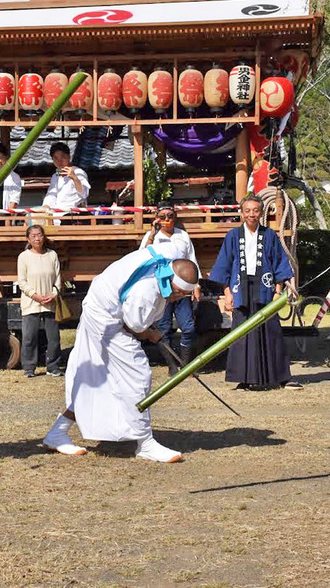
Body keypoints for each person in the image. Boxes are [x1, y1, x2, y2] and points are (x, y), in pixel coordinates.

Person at [42, 245, 199, 463]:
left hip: (105, 311)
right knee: (138, 374)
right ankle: (145, 443)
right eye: (179, 293)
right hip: (105, 320)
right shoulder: (145, 291)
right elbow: (134, 325)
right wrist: (151, 333)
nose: (179, 298)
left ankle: (57, 433)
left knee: (93, 380)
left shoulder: (167, 257)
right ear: (172, 284)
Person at [208, 195, 297, 390]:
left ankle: (282, 377)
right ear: (242, 213)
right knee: (242, 333)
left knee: (271, 331)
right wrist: (228, 292)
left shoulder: (270, 235)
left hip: (265, 286)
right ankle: (244, 378)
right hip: (241, 286)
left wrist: (278, 289)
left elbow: (278, 262)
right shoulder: (233, 236)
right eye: (247, 210)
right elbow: (224, 265)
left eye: (256, 210)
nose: (251, 214)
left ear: (261, 213)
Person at [140, 201, 201, 372]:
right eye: (162, 216)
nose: (167, 219)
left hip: (182, 288)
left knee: (188, 327)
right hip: (162, 289)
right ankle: (172, 366)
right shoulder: (152, 237)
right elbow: (142, 256)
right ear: (156, 218)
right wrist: (153, 231)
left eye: (170, 216)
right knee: (164, 328)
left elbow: (192, 259)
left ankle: (185, 363)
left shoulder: (182, 235)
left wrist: (196, 285)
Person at [18, 225, 62, 378]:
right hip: (31, 303)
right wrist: (34, 295)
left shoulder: (52, 255)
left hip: (49, 302)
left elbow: (58, 279)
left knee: (54, 337)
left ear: (44, 237)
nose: (37, 238)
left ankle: (53, 366)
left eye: (40, 235)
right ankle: (29, 368)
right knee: (29, 337)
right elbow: (22, 282)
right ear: (28, 239)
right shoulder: (23, 257)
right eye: (34, 236)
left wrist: (54, 294)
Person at [42, 142, 90, 224]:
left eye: (62, 157)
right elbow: (51, 195)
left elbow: (84, 193)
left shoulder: (78, 172)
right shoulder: (55, 176)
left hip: (73, 216)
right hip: (56, 216)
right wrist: (46, 206)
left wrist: (74, 178)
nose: (59, 161)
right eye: (55, 158)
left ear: (69, 157)